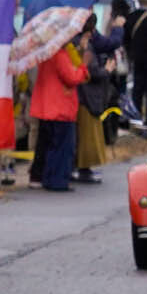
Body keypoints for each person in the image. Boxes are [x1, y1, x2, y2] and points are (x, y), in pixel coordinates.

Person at [30, 32, 91, 191]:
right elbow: (71, 78)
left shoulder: (47, 54)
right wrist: (83, 67)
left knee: (51, 146)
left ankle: (48, 178)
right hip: (60, 108)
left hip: (47, 108)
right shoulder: (60, 55)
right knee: (63, 148)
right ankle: (58, 181)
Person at [76, 13, 118, 184]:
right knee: (88, 135)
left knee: (83, 135)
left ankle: (80, 168)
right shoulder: (85, 47)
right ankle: (84, 169)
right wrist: (107, 69)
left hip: (81, 96)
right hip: (87, 97)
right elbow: (91, 72)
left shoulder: (79, 44)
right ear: (92, 28)